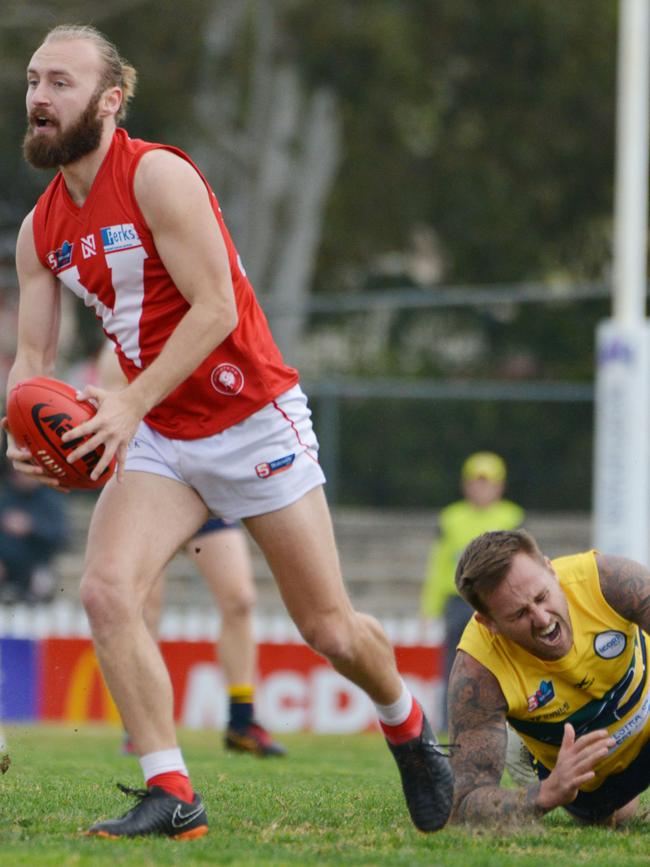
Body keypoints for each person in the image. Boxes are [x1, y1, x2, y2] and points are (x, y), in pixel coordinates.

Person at [4, 24, 453, 839]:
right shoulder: (40, 231)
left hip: (252, 419)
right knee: (106, 589)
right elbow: (31, 358)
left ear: (111, 100)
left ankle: (408, 725)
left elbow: (215, 308)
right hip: (161, 435)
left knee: (328, 628)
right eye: (33, 80)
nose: (38, 96)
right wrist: (22, 431)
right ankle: (172, 791)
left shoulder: (159, 175)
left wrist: (128, 402)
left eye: (60, 82)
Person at [97, 340, 285, 757]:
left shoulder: (204, 335)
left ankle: (241, 721)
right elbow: (112, 420)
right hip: (148, 488)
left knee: (239, 599)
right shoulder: (115, 352)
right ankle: (140, 723)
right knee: (144, 608)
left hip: (203, 488)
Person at [448, 528, 650, 827]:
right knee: (619, 819)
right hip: (589, 782)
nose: (543, 619)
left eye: (542, 597)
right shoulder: (479, 670)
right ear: (488, 622)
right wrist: (547, 793)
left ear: (550, 569)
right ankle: (532, 756)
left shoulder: (606, 580)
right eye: (519, 614)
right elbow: (463, 805)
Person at [420, 451, 523, 729]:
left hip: (495, 601)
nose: (481, 489)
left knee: (500, 662)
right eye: (476, 482)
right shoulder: (450, 517)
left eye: (487, 482)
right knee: (453, 665)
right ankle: (449, 722)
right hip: (457, 600)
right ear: (466, 484)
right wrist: (430, 605)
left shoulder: (512, 517)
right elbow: (438, 562)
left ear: (500, 485)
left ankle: (499, 721)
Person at [0, 465, 69, 604]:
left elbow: (61, 535)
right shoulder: (6, 499)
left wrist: (31, 527)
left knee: (41, 582)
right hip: (6, 565)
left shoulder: (50, 500)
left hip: (37, 565)